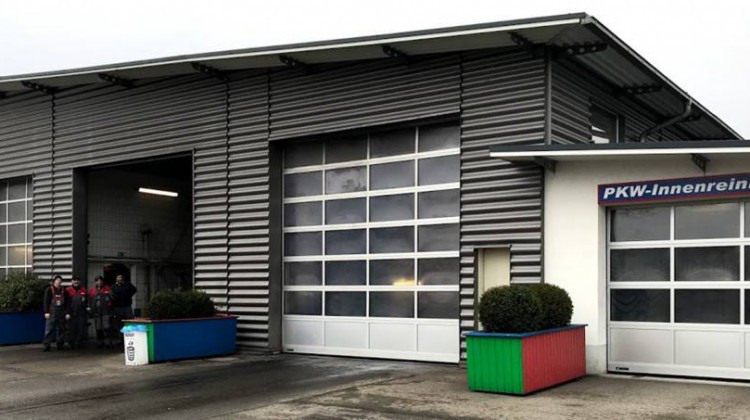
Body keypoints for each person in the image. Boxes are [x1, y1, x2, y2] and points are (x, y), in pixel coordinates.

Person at [42, 275, 70, 351]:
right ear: (54, 281)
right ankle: (47, 345)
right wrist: (46, 312)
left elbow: (67, 302)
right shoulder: (49, 290)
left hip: (61, 313)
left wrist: (67, 313)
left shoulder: (64, 291)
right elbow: (46, 301)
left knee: (61, 329)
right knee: (49, 329)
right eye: (57, 280)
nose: (59, 282)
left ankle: (60, 344)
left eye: (60, 280)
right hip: (51, 313)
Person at [111, 274, 137, 346]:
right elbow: (111, 295)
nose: (119, 278)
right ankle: (121, 340)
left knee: (128, 322)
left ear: (123, 278)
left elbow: (134, 290)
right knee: (119, 324)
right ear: (116, 279)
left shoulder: (128, 285)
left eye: (121, 277)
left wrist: (128, 296)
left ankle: (130, 338)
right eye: (118, 277)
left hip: (127, 307)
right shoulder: (113, 287)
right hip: (117, 307)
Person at [88, 275, 114, 348]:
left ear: (103, 281)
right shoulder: (92, 290)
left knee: (106, 327)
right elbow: (89, 300)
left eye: (100, 281)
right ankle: (100, 342)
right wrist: (89, 308)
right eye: (97, 281)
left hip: (106, 312)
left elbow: (112, 298)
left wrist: (108, 295)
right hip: (96, 312)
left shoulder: (107, 289)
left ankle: (108, 342)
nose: (99, 282)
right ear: (95, 282)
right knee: (98, 328)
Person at [65, 276, 88, 349]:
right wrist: (67, 312)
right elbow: (65, 302)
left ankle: (79, 343)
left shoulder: (83, 289)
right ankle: (71, 343)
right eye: (74, 280)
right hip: (71, 313)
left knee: (81, 328)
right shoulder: (67, 290)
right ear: (72, 281)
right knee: (71, 329)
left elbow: (87, 301)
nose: (76, 281)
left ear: (79, 281)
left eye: (77, 280)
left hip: (81, 312)